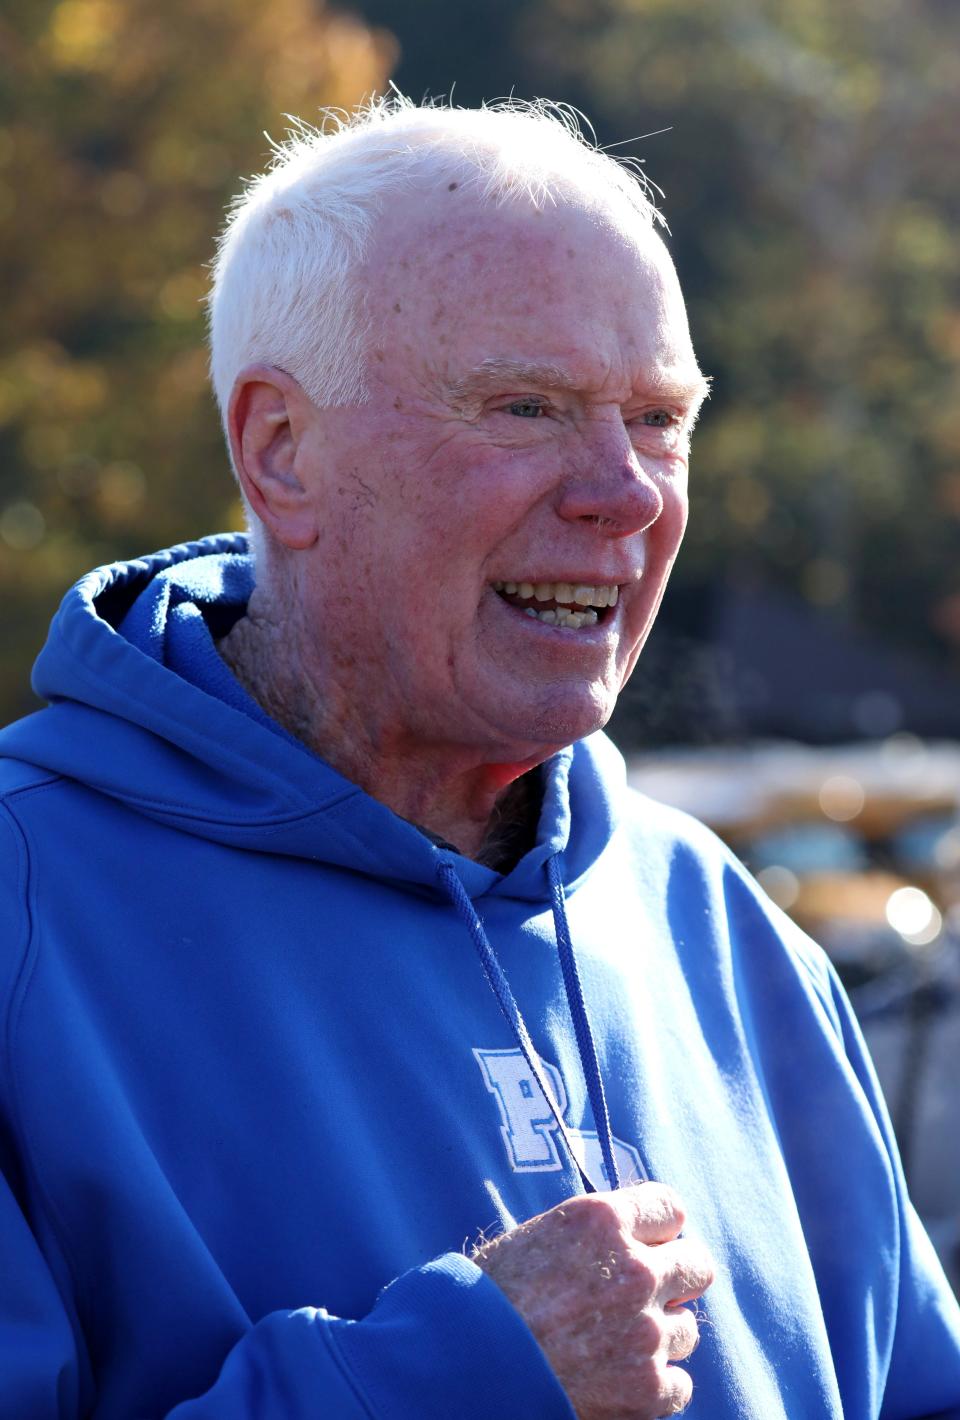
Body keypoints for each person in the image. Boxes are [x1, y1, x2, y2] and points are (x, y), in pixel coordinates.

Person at [0, 95, 958, 1420]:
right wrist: (458, 1376)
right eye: (527, 406)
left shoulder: (720, 925)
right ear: (282, 453)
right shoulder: (24, 911)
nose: (625, 493)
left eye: (661, 418)